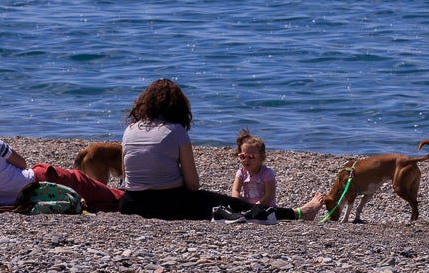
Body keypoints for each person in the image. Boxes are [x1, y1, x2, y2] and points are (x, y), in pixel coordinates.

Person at [118, 79, 324, 222]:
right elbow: (193, 184)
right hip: (170, 205)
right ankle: (298, 213)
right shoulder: (176, 131)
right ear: (178, 107)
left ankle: (297, 213)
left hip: (131, 204)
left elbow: (128, 178)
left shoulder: (129, 130)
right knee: (233, 205)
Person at [0, 110, 123, 212]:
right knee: (88, 185)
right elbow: (21, 163)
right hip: (35, 183)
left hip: (11, 203)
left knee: (94, 202)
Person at [230, 128, 276, 207]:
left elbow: (270, 195)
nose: (246, 160)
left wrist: (256, 206)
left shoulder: (266, 173)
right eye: (243, 156)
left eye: (251, 156)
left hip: (265, 208)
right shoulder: (241, 172)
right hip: (247, 207)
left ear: (262, 158)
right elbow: (235, 190)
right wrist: (237, 201)